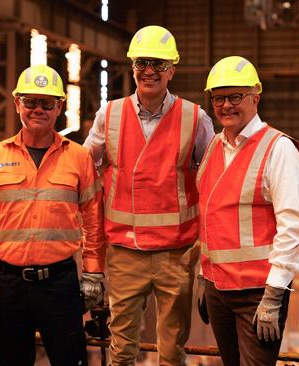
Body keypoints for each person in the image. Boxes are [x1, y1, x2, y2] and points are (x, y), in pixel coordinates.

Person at [83, 25, 214, 365]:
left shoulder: (194, 118)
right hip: (125, 252)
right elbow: (83, 171)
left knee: (172, 351)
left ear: (172, 69)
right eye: (142, 62)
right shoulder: (108, 115)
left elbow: (214, 179)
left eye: (158, 64)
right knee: (122, 349)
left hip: (177, 254)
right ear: (132, 66)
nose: (149, 71)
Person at [0, 64, 106, 366]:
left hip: (60, 283)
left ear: (59, 107)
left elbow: (93, 218)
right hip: (6, 284)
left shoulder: (78, 157)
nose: (38, 109)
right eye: (30, 102)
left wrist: (93, 272)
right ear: (17, 104)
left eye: (47, 103)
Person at [196, 56, 299, 366]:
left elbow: (291, 226)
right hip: (218, 289)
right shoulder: (214, 148)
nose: (226, 105)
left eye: (236, 97)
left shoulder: (278, 148)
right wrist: (203, 278)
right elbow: (210, 218)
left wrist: (274, 294)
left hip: (257, 294)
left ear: (255, 98)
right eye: (219, 98)